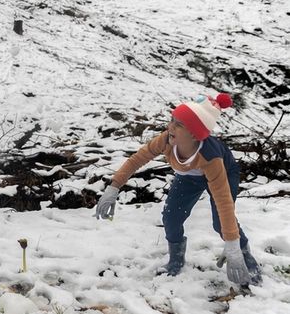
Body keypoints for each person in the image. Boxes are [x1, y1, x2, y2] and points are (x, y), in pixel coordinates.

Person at [94, 93, 261, 286]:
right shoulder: (165, 140)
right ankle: (176, 259)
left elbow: (224, 202)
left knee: (220, 223)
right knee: (171, 217)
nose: (170, 127)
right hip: (189, 177)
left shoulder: (211, 157)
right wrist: (113, 188)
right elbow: (136, 160)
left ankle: (245, 254)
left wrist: (232, 245)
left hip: (223, 174)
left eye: (179, 124)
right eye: (172, 120)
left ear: (194, 133)